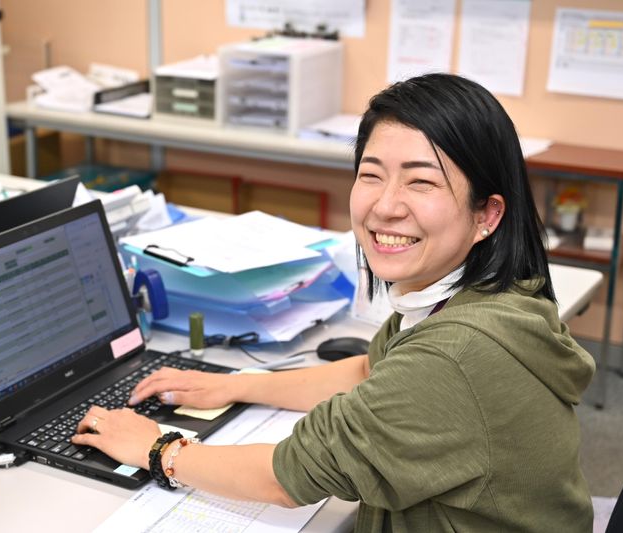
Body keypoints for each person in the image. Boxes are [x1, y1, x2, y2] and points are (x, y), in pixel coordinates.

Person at [72, 73, 596, 532]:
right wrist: (234, 385)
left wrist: (157, 448)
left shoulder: (454, 356)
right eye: (371, 174)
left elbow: (284, 478)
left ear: (487, 214)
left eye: (421, 181)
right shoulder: (474, 293)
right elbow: (369, 370)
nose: (385, 206)